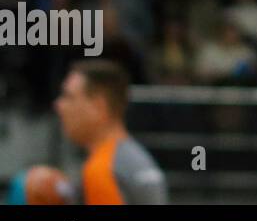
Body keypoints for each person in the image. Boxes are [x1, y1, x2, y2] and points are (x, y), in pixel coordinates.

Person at [11, 60, 167, 205]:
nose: (58, 105)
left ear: (98, 106)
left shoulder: (101, 170)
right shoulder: (136, 157)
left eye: (68, 97)